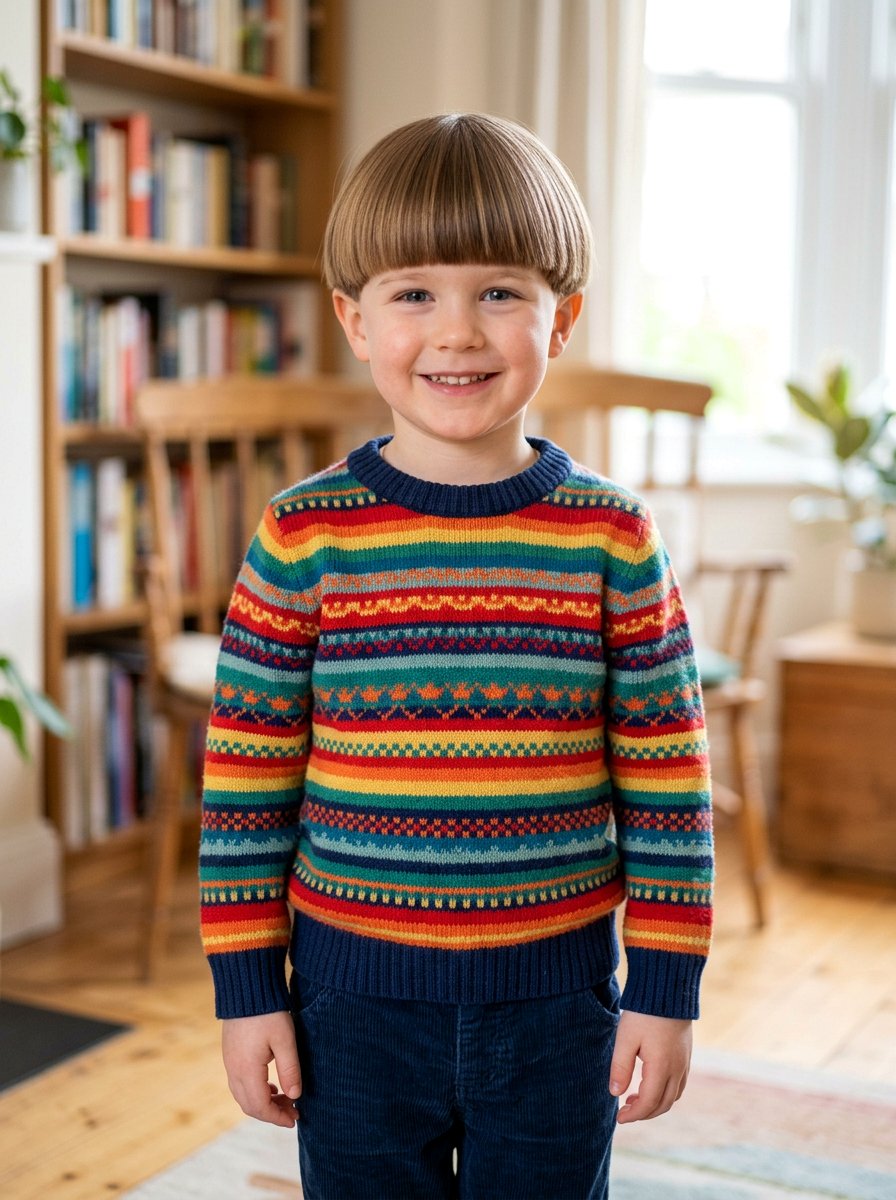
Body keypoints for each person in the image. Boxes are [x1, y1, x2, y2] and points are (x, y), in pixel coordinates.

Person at [199, 111, 713, 1200]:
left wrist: (664, 991)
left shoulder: (612, 537)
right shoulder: (303, 534)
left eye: (499, 292)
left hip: (559, 1004)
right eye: (413, 293)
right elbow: (245, 786)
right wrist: (248, 991)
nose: (457, 331)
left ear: (559, 318)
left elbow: (668, 787)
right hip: (348, 1004)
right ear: (352, 318)